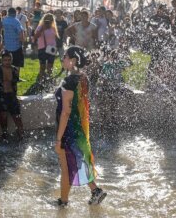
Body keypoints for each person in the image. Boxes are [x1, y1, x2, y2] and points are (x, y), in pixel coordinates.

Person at [55, 46, 107, 207]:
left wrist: (58, 139)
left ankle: (63, 203)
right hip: (78, 128)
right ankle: (95, 191)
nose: (62, 59)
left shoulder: (69, 81)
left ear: (73, 60)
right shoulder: (83, 77)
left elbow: (65, 112)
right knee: (77, 161)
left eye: (65, 56)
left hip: (68, 130)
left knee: (66, 168)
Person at [0, 51, 24, 139]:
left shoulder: (15, 70)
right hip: (0, 96)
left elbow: (15, 84)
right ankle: (5, 134)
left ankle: (21, 136)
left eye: (9, 60)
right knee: (3, 116)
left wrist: (16, 96)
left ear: (12, 60)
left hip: (12, 96)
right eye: (5, 60)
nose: (7, 62)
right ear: (2, 60)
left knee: (17, 117)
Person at [34, 13, 58, 82]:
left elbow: (55, 38)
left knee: (50, 67)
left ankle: (49, 81)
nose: (48, 21)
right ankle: (41, 80)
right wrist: (42, 29)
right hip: (42, 48)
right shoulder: (40, 27)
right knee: (42, 66)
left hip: (52, 48)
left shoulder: (53, 27)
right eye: (47, 20)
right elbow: (35, 37)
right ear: (44, 20)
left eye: (50, 20)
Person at [2, 7, 25, 80]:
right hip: (16, 45)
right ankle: (16, 77)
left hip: (7, 45)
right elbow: (21, 31)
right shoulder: (16, 21)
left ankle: (7, 76)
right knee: (17, 63)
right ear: (15, 13)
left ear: (8, 13)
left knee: (7, 62)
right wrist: (22, 41)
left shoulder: (4, 20)